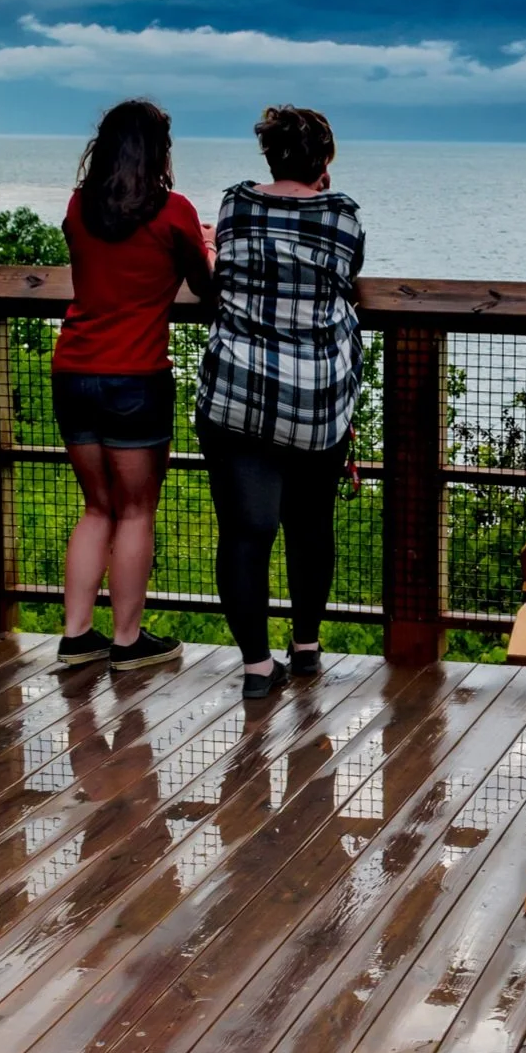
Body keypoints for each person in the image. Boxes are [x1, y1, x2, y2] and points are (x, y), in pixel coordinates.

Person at [196, 104, 365, 700]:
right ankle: (307, 646)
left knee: (246, 531)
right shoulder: (342, 216)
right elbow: (345, 275)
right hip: (314, 400)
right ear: (323, 160)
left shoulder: (234, 206)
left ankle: (255, 666)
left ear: (268, 154)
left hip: (236, 394)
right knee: (310, 524)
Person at [51, 98, 214, 672]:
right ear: (159, 151)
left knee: (95, 508)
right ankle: (126, 640)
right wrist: (208, 246)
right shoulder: (174, 213)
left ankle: (76, 636)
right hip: (136, 377)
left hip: (73, 368)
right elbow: (205, 287)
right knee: (136, 511)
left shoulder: (78, 207)